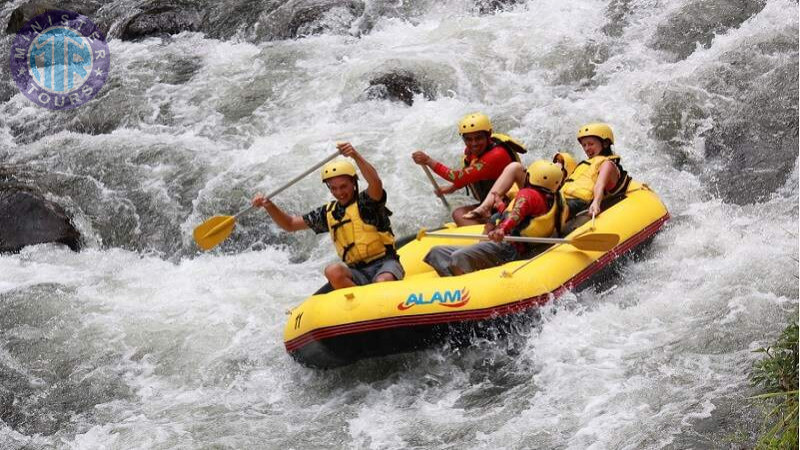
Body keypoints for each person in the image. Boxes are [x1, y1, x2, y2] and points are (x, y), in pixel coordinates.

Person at [252, 142, 404, 290]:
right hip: (357, 272)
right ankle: (362, 303)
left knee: (382, 281)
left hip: (385, 264)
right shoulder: (328, 213)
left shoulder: (368, 202)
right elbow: (290, 224)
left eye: (343, 186)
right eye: (334, 188)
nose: (339, 192)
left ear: (353, 183)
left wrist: (355, 156)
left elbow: (376, 182)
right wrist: (268, 205)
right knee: (332, 271)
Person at [423, 160, 564, 277]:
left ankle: (466, 291)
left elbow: (516, 214)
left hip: (509, 248)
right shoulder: (550, 198)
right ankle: (454, 283)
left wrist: (502, 229)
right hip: (507, 244)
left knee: (459, 257)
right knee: (436, 252)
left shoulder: (528, 195)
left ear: (530, 177)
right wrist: (501, 206)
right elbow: (522, 216)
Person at [411, 112, 525, 226]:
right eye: (468, 139)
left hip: (511, 204)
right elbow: (471, 173)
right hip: (493, 203)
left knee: (458, 214)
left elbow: (456, 177)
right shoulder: (476, 151)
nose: (473, 143)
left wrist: (428, 161)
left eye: (478, 138)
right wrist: (452, 188)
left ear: (489, 134)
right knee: (459, 213)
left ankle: (490, 237)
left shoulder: (496, 155)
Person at [561, 123, 631, 219]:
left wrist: (596, 203)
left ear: (605, 143)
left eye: (590, 144)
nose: (586, 149)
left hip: (579, 203)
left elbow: (600, 185)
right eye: (584, 145)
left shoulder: (608, 164)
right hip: (562, 198)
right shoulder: (585, 164)